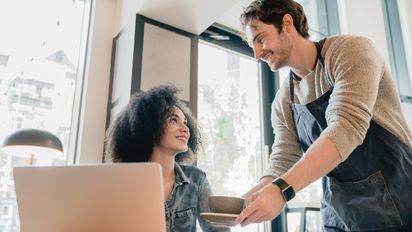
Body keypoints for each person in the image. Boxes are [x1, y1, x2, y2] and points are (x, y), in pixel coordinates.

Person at [235, 0, 412, 231]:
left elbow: (346, 127)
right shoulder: (283, 100)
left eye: (260, 39)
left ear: (287, 23)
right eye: (252, 46)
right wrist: (250, 199)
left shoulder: (351, 51)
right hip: (341, 214)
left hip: (399, 200)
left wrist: (282, 190)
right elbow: (284, 156)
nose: (257, 54)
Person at [105, 84, 229, 232]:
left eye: (185, 122)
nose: (185, 129)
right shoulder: (126, 183)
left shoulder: (197, 180)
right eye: (173, 120)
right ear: (149, 128)